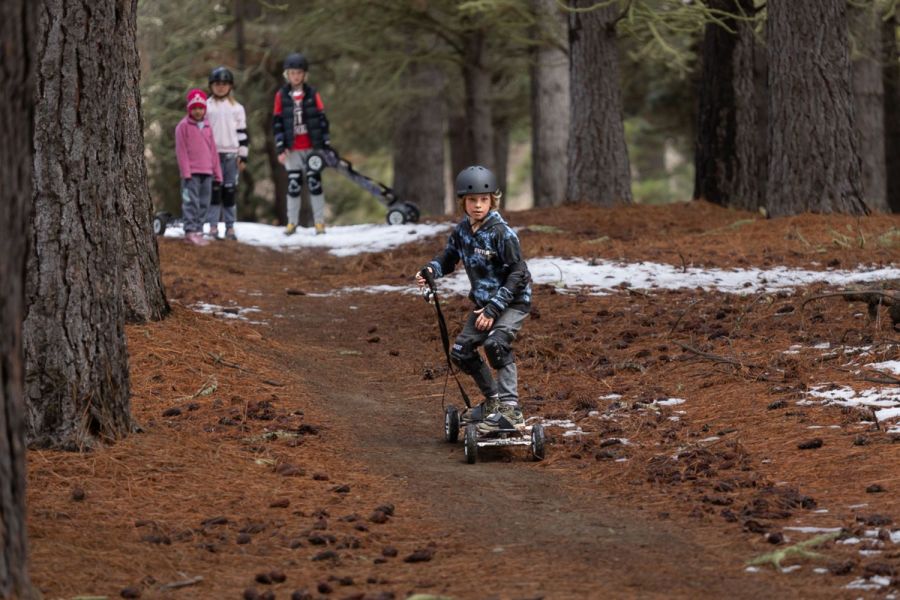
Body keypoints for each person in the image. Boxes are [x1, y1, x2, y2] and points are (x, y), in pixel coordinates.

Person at [416, 166, 533, 432]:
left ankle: (510, 410)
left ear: (493, 200)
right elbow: (450, 257)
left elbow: (519, 274)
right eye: (472, 200)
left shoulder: (502, 233)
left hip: (512, 301)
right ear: (463, 202)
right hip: (485, 303)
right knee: (461, 352)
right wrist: (432, 270)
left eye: (484, 199)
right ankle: (493, 403)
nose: (478, 205)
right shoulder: (463, 231)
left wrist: (494, 309)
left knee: (495, 345)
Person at [272, 52, 331, 235]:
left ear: (304, 75)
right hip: (292, 148)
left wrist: (325, 143)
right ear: (287, 75)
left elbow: (321, 119)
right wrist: (281, 147)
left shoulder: (312, 94)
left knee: (314, 183)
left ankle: (319, 222)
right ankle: (292, 222)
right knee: (294, 185)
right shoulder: (281, 95)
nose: (295, 76)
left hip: (311, 146)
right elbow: (278, 122)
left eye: (299, 73)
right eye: (292, 73)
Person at [205, 66, 249, 241]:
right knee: (214, 192)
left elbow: (243, 133)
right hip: (212, 155)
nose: (221, 87)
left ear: (230, 86)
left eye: (224, 84)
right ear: (211, 85)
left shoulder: (237, 108)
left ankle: (230, 227)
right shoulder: (207, 106)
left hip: (231, 155)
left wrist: (243, 155)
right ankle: (213, 226)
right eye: (217, 84)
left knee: (229, 191)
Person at [175, 89, 222, 246]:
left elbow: (213, 151)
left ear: (204, 109)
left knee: (204, 203)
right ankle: (190, 231)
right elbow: (181, 151)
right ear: (189, 109)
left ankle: (199, 229)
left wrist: (217, 172)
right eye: (194, 108)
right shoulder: (183, 126)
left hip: (207, 172)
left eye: (200, 108)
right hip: (191, 173)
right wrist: (185, 172)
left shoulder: (208, 127)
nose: (197, 111)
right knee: (191, 202)